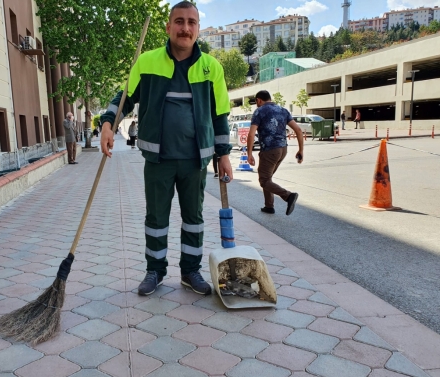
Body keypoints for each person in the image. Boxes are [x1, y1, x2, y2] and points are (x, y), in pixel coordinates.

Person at [100, 1, 232, 296]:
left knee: (194, 219)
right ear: (168, 26)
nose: (185, 28)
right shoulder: (146, 62)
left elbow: (220, 114)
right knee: (156, 219)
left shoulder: (212, 68)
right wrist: (108, 124)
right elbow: (124, 98)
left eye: (191, 23)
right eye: (179, 21)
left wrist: (224, 155)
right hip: (158, 160)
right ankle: (155, 271)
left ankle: (190, 272)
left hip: (195, 160)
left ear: (198, 28)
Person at [247, 90, 303, 216]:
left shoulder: (259, 111)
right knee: (267, 177)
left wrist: (249, 154)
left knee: (264, 181)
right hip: (282, 150)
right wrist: (301, 150)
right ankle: (269, 206)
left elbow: (251, 134)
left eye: (256, 102)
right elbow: (298, 130)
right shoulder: (283, 110)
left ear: (259, 100)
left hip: (269, 150)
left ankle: (288, 196)